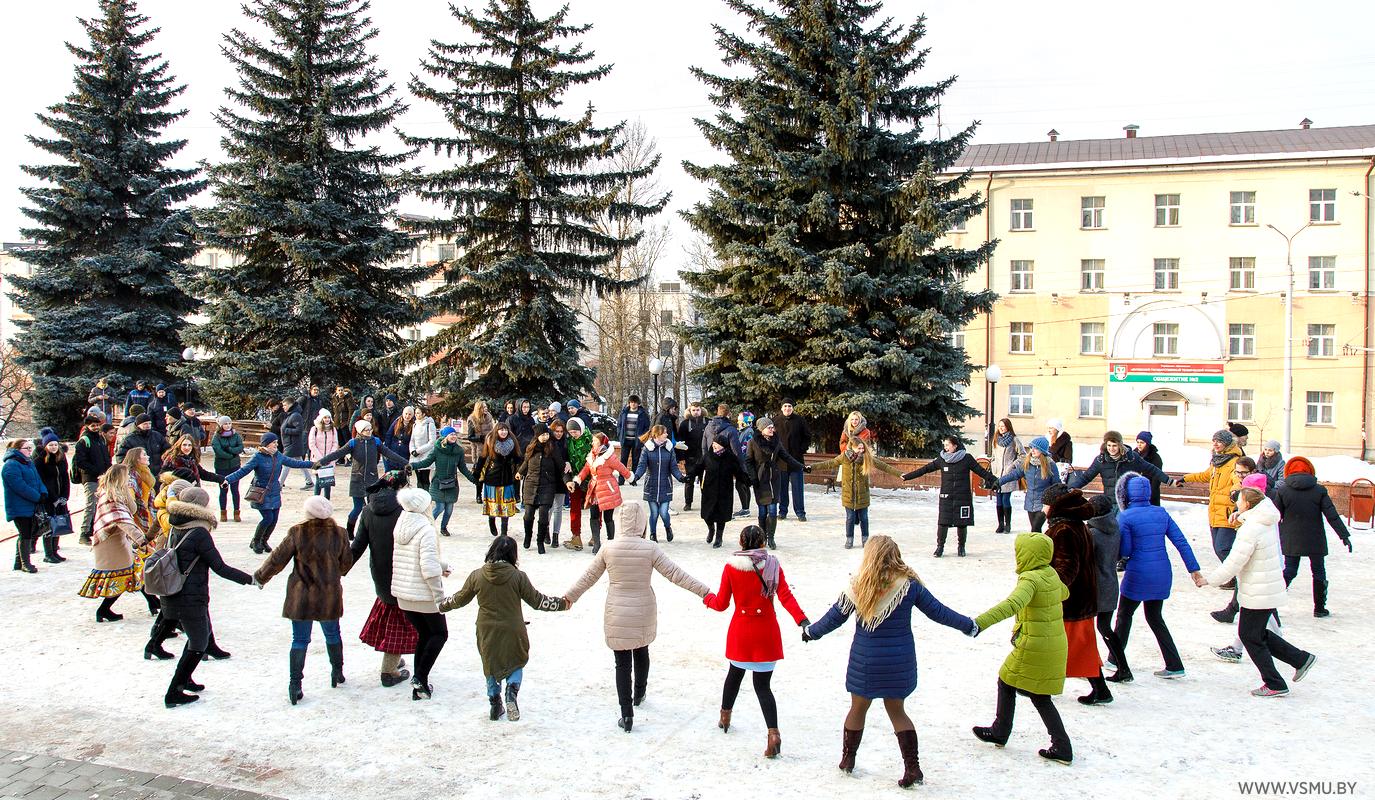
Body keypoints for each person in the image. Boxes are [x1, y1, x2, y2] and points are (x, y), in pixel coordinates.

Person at [805, 536, 976, 785]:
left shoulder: (858, 585)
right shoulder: (909, 585)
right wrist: (968, 625)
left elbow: (834, 618)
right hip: (899, 661)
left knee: (858, 708)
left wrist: (811, 632)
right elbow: (938, 612)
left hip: (866, 662)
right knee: (897, 711)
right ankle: (912, 768)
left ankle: (848, 759)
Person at [564, 503, 711, 732]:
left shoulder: (609, 548)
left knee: (621, 663)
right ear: (642, 522)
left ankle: (627, 715)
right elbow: (676, 574)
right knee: (642, 651)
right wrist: (704, 591)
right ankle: (639, 693)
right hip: (643, 610)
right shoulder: (650, 548)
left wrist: (569, 597)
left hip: (617, 612)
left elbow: (588, 577)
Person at [1197, 487, 1316, 697]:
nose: (1237, 503)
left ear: (1248, 504)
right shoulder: (1263, 521)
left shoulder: (1251, 529)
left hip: (1258, 591)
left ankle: (1275, 682)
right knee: (1256, 634)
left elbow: (1234, 562)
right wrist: (1240, 517)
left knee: (1249, 635)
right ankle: (1300, 659)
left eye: (1240, 500)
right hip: (1266, 588)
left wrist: (1209, 580)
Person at [703, 525, 809, 759]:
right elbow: (785, 596)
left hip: (741, 633)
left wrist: (707, 598)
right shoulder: (773, 565)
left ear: (741, 543)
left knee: (734, 675)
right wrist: (802, 620)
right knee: (763, 687)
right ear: (763, 543)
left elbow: (721, 603)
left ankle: (725, 716)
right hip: (766, 633)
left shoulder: (731, 567)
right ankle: (773, 734)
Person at [440, 535, 569, 721]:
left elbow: (459, 599)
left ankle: (495, 704)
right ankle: (511, 693)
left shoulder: (477, 575)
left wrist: (442, 606)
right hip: (513, 627)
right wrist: (562, 604)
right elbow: (538, 601)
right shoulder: (518, 576)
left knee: (490, 663)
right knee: (516, 660)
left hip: (486, 629)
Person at [970, 532, 1073, 765]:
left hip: (1035, 644)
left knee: (1011, 683)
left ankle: (1003, 731)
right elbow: (1064, 593)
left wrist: (979, 623)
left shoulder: (1030, 579)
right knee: (1033, 692)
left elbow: (1012, 604)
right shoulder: (1050, 573)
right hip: (1052, 642)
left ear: (1027, 555)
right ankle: (1059, 744)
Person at [158, 486, 254, 707]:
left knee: (195, 638)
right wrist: (249, 579)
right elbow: (219, 567)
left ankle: (185, 680)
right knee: (199, 642)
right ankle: (174, 692)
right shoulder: (199, 532)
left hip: (172, 592)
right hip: (190, 596)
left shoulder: (174, 524)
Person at [255, 495, 353, 705]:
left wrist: (261, 576)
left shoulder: (297, 532)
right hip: (328, 595)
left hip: (301, 596)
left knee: (299, 640)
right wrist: (332, 572)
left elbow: (277, 559)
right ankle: (337, 672)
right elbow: (346, 564)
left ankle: (295, 684)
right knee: (333, 634)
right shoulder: (340, 533)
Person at [1109, 472, 1203, 682]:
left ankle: (1115, 658)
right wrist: (1193, 569)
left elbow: (1125, 550)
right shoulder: (1161, 513)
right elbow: (1181, 541)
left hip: (1138, 574)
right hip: (1161, 573)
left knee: (1124, 615)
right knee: (1155, 617)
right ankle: (1174, 664)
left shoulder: (1126, 516)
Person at [1038, 485, 1108, 706]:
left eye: (1045, 504)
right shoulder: (1073, 524)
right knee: (1079, 646)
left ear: (1055, 505)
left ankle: (1040, 686)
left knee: (1064, 646)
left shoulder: (1064, 530)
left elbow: (1066, 569)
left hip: (1071, 601)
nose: (1042, 508)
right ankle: (1100, 689)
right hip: (1081, 598)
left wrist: (1048, 590)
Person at [351, 471, 415, 688]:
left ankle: (394, 658)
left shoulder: (368, 510)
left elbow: (357, 546)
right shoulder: (405, 510)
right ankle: (389, 671)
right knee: (398, 621)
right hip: (403, 572)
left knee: (391, 613)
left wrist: (340, 568)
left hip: (379, 572)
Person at [1175, 428, 1243, 624]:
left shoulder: (1233, 462)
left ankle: (1237, 576)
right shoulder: (1216, 462)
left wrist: (1235, 493)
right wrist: (1186, 478)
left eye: (1219, 441)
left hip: (1228, 514)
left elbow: (1237, 481)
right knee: (1218, 548)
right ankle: (1235, 576)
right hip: (1215, 514)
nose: (1215, 444)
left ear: (1227, 443)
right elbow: (1205, 476)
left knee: (1223, 548)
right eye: (1214, 441)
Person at [391, 487, 450, 700]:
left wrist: (442, 565)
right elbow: (428, 569)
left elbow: (415, 559)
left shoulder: (402, 524)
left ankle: (420, 685)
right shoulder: (426, 529)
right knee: (440, 634)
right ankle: (420, 677)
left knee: (425, 635)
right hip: (423, 594)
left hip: (404, 593)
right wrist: (440, 598)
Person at [1274, 456, 1351, 618]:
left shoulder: (1283, 491)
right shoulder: (1319, 490)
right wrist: (1344, 536)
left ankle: (1270, 604)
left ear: (1288, 471)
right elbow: (1332, 515)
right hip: (1315, 538)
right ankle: (1319, 608)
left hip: (1291, 538)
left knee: (1290, 570)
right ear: (1310, 471)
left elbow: (1274, 515)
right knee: (1318, 571)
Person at [901, 436, 998, 557]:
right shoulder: (942, 459)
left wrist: (995, 480)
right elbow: (925, 469)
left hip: (962, 496)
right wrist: (907, 476)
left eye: (948, 445)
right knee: (943, 522)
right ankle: (940, 547)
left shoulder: (966, 458)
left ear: (955, 446)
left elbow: (981, 471)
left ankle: (961, 547)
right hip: (946, 497)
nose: (945, 447)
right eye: (945, 445)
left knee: (962, 523)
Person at [316, 419, 408, 538]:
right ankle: (349, 531)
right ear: (360, 431)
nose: (369, 431)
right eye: (366, 430)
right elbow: (337, 453)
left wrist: (405, 462)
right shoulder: (353, 443)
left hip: (372, 479)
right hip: (357, 479)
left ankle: (372, 532)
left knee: (374, 507)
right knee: (357, 508)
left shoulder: (376, 441)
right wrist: (321, 462)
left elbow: (389, 453)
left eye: (370, 429)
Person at [224, 433, 314, 554]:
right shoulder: (257, 457)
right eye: (274, 442)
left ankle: (264, 541)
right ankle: (256, 541)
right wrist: (227, 479)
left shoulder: (278, 455)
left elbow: (295, 463)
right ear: (266, 444)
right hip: (262, 491)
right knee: (268, 518)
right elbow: (243, 471)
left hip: (275, 491)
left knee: (274, 519)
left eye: (277, 442)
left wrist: (313, 464)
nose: (276, 444)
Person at [811, 437, 904, 549]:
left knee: (864, 518)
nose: (861, 450)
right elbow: (829, 463)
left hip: (862, 494)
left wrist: (900, 474)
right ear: (852, 447)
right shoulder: (844, 457)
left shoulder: (866, 458)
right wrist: (811, 467)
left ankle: (865, 539)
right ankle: (849, 538)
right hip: (848, 494)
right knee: (850, 518)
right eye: (859, 448)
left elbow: (884, 466)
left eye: (862, 448)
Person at [78, 464, 143, 620]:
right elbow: (122, 521)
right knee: (122, 576)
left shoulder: (119, 493)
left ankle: (153, 603)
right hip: (110, 544)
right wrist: (141, 539)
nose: (129, 479)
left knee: (135, 571)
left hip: (119, 541)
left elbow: (132, 509)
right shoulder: (109, 496)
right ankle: (103, 610)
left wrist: (126, 491)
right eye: (127, 476)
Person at [1066, 431, 1171, 513]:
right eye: (1109, 445)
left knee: (1122, 528)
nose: (1111, 449)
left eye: (1114, 445)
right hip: (1110, 503)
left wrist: (1170, 481)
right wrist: (1071, 488)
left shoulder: (1131, 458)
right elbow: (1086, 477)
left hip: (1127, 503)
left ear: (1120, 445)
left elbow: (1152, 469)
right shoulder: (1101, 460)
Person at [1084, 493, 1124, 702]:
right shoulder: (1115, 527)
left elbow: (1085, 558)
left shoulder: (1093, 533)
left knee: (1088, 630)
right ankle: (1123, 666)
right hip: (1110, 583)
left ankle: (1093, 672)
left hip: (1095, 586)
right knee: (1105, 627)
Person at [745, 416, 807, 549]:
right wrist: (753, 478)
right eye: (769, 427)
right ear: (761, 429)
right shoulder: (752, 442)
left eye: (772, 427)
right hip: (760, 480)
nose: (772, 429)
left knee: (772, 511)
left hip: (773, 478)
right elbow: (748, 461)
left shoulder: (776, 442)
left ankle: (771, 538)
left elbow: (786, 457)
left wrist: (801, 466)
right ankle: (762, 537)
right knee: (762, 511)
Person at [573, 432, 633, 554]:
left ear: (601, 443)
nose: (592, 443)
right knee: (593, 516)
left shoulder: (609, 456)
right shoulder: (591, 455)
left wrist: (630, 478)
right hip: (595, 489)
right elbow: (586, 469)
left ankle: (611, 542)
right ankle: (597, 543)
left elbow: (621, 467)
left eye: (595, 441)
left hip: (608, 489)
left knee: (608, 517)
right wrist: (578, 479)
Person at [411, 426, 476, 538]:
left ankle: (443, 527)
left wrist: (474, 479)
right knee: (440, 507)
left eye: (455, 434)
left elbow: (463, 468)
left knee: (449, 509)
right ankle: (427, 526)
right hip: (438, 483)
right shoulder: (437, 449)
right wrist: (412, 466)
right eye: (451, 434)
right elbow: (426, 462)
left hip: (451, 484)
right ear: (445, 437)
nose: (454, 436)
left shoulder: (459, 451)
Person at [996, 436, 1061, 533]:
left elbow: (1057, 484)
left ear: (1042, 451)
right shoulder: (1027, 462)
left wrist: (1054, 501)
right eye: (1031, 447)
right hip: (1030, 502)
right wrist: (999, 482)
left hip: (1044, 503)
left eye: (1036, 448)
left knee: (1036, 527)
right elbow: (1014, 474)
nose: (1032, 450)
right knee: (1035, 530)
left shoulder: (1050, 465)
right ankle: (1037, 542)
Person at [633, 425, 684, 543]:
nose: (667, 434)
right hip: (651, 485)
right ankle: (653, 534)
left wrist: (681, 477)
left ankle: (668, 528)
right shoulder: (647, 448)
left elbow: (673, 467)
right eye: (665, 433)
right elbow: (642, 466)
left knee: (664, 512)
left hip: (665, 484)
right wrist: (636, 477)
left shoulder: (669, 448)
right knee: (654, 513)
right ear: (657, 435)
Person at [518, 424, 564, 553]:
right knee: (528, 515)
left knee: (543, 516)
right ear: (537, 436)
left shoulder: (552, 448)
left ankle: (540, 541)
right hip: (530, 484)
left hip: (547, 485)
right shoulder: (531, 448)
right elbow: (526, 462)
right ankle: (528, 537)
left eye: (547, 434)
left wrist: (568, 481)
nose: (545, 437)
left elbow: (561, 467)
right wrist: (520, 472)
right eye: (543, 435)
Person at [4, 439, 47, 573]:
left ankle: (19, 562)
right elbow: (20, 486)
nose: (29, 450)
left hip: (31, 504)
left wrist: (43, 492)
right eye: (26, 448)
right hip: (19, 506)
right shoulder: (11, 465)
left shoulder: (28, 463)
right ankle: (25, 563)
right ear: (17, 450)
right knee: (25, 533)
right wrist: (36, 496)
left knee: (28, 532)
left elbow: (38, 480)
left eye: (30, 448)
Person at [474, 423, 522, 538]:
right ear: (497, 431)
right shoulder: (490, 441)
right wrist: (476, 473)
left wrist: (521, 470)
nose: (503, 432)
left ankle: (504, 532)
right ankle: (492, 521)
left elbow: (518, 458)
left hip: (507, 478)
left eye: (505, 430)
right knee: (493, 506)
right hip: (492, 477)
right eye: (501, 430)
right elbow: (482, 457)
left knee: (506, 507)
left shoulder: (512, 442)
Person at [700, 432, 747, 549]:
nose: (714, 445)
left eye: (717, 444)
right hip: (709, 490)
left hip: (724, 491)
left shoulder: (730, 458)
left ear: (723, 446)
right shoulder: (708, 456)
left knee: (721, 515)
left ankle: (719, 537)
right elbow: (698, 467)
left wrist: (749, 481)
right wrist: (689, 477)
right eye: (713, 443)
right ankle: (711, 529)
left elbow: (739, 472)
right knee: (707, 514)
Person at [72, 415, 112, 545]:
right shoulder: (84, 441)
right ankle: (84, 533)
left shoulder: (100, 439)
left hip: (102, 478)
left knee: (101, 505)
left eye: (97, 425)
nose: (95, 428)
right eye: (93, 425)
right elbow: (80, 462)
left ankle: (95, 529)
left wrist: (108, 471)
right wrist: (96, 471)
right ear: (87, 426)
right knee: (91, 505)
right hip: (90, 478)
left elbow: (106, 458)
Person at [34, 432, 71, 563]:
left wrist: (65, 495)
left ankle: (55, 551)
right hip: (49, 498)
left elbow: (65, 477)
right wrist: (54, 498)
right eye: (50, 445)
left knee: (59, 523)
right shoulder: (40, 461)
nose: (54, 447)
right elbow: (42, 481)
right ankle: (48, 553)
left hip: (61, 497)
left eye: (55, 444)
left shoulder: (61, 458)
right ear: (45, 446)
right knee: (49, 525)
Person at [773, 401, 810, 522]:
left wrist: (801, 449)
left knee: (797, 489)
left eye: (789, 406)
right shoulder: (776, 420)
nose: (787, 408)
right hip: (781, 461)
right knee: (782, 488)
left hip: (796, 460)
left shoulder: (800, 420)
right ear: (781, 408)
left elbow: (807, 436)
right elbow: (771, 437)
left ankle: (800, 512)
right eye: (785, 406)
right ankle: (782, 511)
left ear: (793, 408)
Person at [562, 418, 594, 550]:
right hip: (575, 479)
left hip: (591, 479)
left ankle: (595, 536)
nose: (573, 434)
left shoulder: (591, 440)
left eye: (575, 431)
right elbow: (566, 458)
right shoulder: (568, 442)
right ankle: (576, 536)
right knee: (574, 508)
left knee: (595, 508)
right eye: (571, 432)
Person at [989, 418, 1025, 534]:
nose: (1001, 428)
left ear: (1008, 427)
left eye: (1003, 426)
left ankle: (1007, 524)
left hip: (1008, 474)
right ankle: (1000, 524)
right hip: (997, 473)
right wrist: (993, 464)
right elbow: (993, 455)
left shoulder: (1014, 440)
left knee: (1005, 499)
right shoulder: (996, 439)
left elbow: (1023, 455)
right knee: (998, 500)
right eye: (999, 426)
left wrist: (1013, 465)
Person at [677, 402, 709, 511]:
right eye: (693, 410)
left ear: (701, 410)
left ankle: (706, 503)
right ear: (690, 411)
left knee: (704, 482)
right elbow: (680, 442)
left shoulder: (708, 422)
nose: (696, 412)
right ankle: (688, 503)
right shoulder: (685, 424)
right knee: (689, 482)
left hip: (704, 457)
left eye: (698, 410)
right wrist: (681, 457)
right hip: (690, 458)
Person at [212, 417, 245, 522]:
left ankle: (236, 512)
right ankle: (223, 512)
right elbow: (218, 450)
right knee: (223, 490)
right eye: (225, 424)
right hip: (221, 466)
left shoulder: (236, 435)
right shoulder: (216, 437)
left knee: (235, 490)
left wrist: (230, 450)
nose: (228, 425)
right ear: (221, 425)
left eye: (229, 423)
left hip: (235, 466)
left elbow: (240, 447)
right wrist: (230, 455)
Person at [278, 397, 311, 490]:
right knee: (300, 463)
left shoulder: (295, 415)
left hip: (292, 445)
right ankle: (309, 482)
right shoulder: (291, 414)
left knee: (286, 464)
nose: (283, 407)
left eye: (285, 405)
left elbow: (299, 430)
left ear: (290, 405)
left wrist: (285, 430)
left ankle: (279, 485)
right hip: (290, 444)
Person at [466, 401, 496, 502]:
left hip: (490, 447)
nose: (486, 409)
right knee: (479, 473)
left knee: (490, 472)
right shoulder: (472, 419)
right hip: (478, 448)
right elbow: (470, 437)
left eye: (486, 407)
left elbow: (492, 430)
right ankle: (478, 494)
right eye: (484, 407)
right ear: (479, 409)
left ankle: (489, 495)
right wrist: (481, 438)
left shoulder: (489, 417)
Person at [308, 410, 339, 500]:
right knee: (318, 481)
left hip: (329, 459)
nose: (327, 419)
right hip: (317, 459)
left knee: (328, 482)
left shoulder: (333, 429)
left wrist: (329, 457)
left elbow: (335, 443)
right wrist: (321, 458)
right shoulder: (314, 429)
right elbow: (312, 444)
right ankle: (315, 501)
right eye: (325, 417)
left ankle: (327, 501)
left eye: (328, 417)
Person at [617, 395, 651, 473]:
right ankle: (621, 477)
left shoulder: (643, 414)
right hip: (625, 440)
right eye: (631, 402)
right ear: (629, 403)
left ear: (638, 403)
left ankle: (634, 477)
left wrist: (642, 438)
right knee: (623, 460)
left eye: (635, 402)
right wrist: (620, 435)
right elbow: (619, 425)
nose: (633, 404)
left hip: (637, 441)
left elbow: (646, 427)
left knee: (636, 461)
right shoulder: (624, 412)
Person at [410, 406, 438, 492]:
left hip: (425, 455)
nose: (416, 415)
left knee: (425, 479)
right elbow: (412, 439)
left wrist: (419, 451)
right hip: (415, 456)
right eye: (415, 413)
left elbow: (432, 442)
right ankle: (419, 496)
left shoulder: (429, 424)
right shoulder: (415, 424)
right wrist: (412, 450)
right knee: (419, 479)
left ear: (423, 414)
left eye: (418, 413)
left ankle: (427, 496)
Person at [1134, 431, 1165, 505]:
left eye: (1142, 442)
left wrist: (1150, 495)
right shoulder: (1133, 455)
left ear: (1147, 444)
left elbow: (1156, 479)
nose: (1139, 445)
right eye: (1138, 442)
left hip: (1150, 495)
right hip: (1135, 492)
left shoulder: (1155, 458)